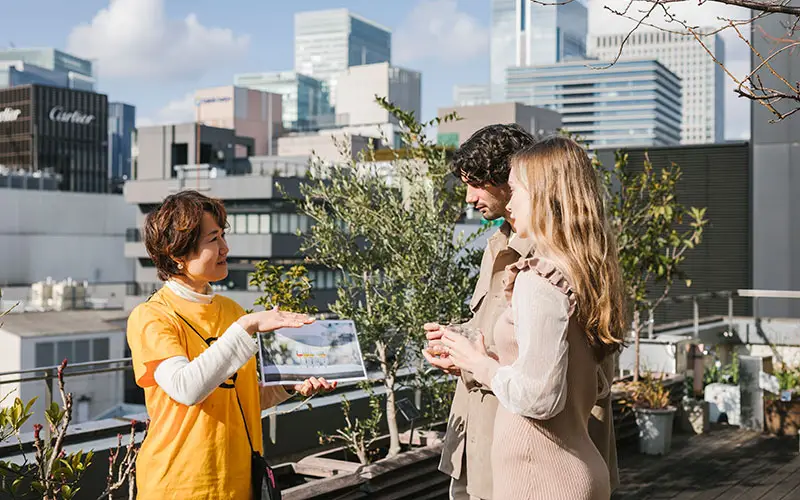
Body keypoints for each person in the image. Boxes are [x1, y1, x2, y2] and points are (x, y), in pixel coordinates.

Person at [423, 125, 618, 500]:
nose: (468, 197)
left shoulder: (547, 264)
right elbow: (503, 331)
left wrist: (477, 362)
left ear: (511, 180)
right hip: (492, 443)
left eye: (477, 183)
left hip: (539, 458)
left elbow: (560, 380)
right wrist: (457, 343)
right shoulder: (499, 245)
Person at [127, 190, 336, 500]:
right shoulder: (152, 316)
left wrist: (289, 386)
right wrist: (247, 326)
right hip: (177, 486)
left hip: (238, 483)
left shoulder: (231, 310)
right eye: (213, 240)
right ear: (177, 254)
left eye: (223, 236)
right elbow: (186, 388)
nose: (225, 247)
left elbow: (245, 396)